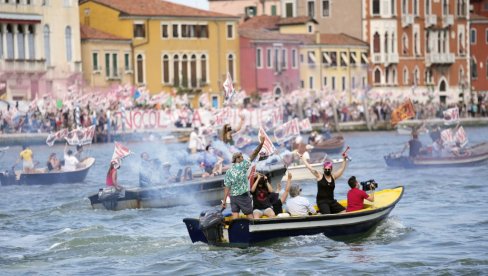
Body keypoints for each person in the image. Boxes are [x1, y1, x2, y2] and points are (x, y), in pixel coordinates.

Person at [221, 135, 265, 219]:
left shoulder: (229, 171)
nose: (243, 158)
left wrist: (224, 200)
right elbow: (254, 153)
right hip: (243, 196)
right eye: (241, 157)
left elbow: (227, 187)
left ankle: (235, 231)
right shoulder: (242, 165)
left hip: (233, 197)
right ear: (237, 159)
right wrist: (261, 144)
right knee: (249, 215)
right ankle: (253, 230)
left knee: (235, 215)